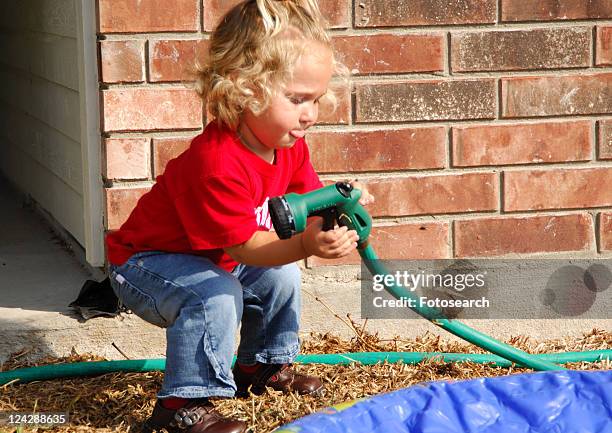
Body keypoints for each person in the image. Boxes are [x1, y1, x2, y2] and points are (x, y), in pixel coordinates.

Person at [106, 1, 374, 432]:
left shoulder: (289, 146)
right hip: (144, 264)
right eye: (298, 99)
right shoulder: (216, 163)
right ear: (245, 90)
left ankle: (260, 366)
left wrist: (336, 215)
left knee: (280, 275)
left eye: (317, 100)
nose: (311, 114)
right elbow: (245, 246)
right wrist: (306, 244)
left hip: (210, 259)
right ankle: (181, 406)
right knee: (214, 295)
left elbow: (310, 207)